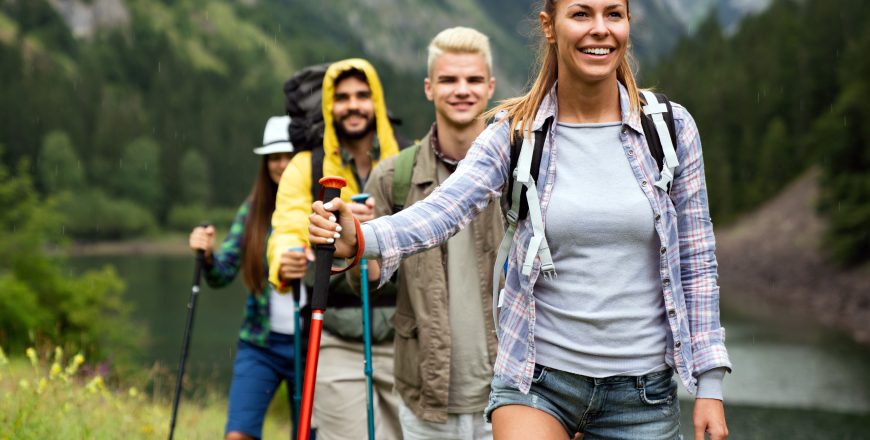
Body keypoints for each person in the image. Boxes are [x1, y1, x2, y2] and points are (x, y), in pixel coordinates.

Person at [308, 1, 732, 439]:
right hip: (537, 381)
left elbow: (696, 260)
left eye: (613, 14)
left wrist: (709, 384)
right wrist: (361, 236)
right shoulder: (514, 133)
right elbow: (444, 209)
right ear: (549, 26)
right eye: (581, 14)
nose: (600, 30)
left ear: (628, 24)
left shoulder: (670, 129)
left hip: (643, 394)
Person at [353, 27, 501, 440]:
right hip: (426, 399)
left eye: (472, 80)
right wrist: (354, 241)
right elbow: (366, 278)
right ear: (428, 88)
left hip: (512, 396)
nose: (461, 90)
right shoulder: (393, 178)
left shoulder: (519, 170)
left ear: (490, 87)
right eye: (449, 80)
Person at [268, 58, 403, 440]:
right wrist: (285, 258)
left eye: (362, 95)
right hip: (335, 332)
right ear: (329, 106)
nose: (353, 105)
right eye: (342, 97)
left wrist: (375, 230)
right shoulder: (305, 167)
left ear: (376, 101)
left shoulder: (407, 161)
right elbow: (288, 227)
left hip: (405, 335)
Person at [188, 115, 308, 440]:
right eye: (274, 157)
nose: (282, 165)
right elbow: (222, 272)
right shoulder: (253, 210)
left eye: (290, 156)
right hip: (260, 344)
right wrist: (208, 254)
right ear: (266, 162)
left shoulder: (319, 208)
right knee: (238, 435)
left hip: (312, 345)